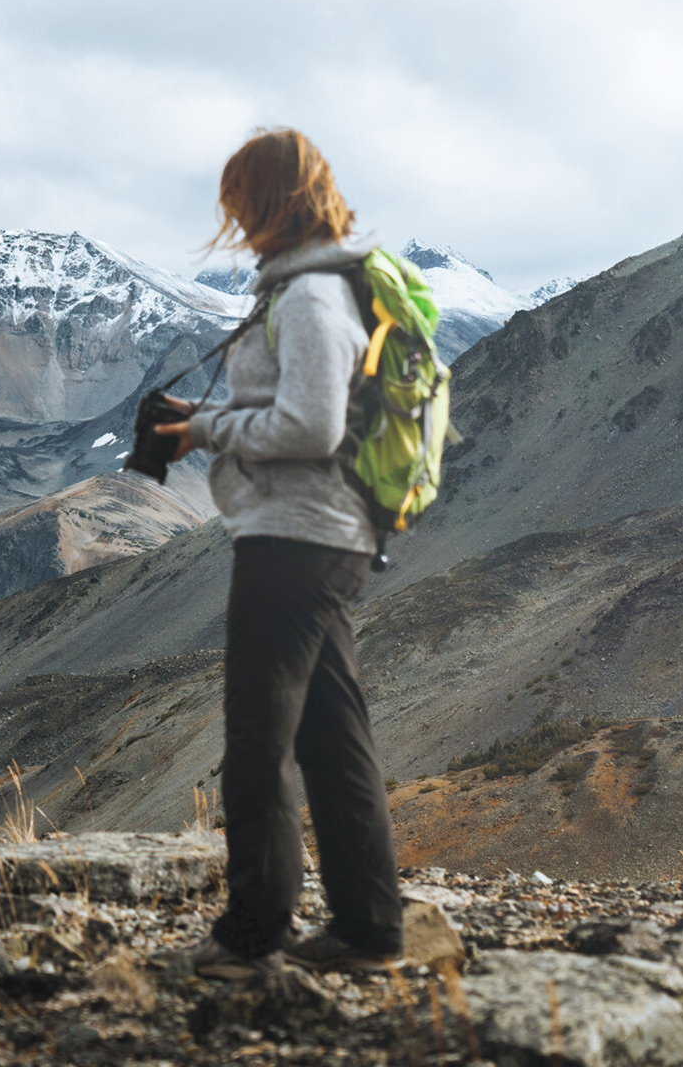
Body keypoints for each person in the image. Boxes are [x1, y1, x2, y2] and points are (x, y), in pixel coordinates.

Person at [148, 128, 405, 978]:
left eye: (238, 201)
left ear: (266, 201)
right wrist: (206, 415)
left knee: (258, 736)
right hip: (321, 535)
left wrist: (207, 429)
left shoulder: (307, 298)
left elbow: (311, 425)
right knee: (333, 736)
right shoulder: (310, 285)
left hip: (296, 538)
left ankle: (252, 935)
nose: (231, 218)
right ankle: (369, 932)